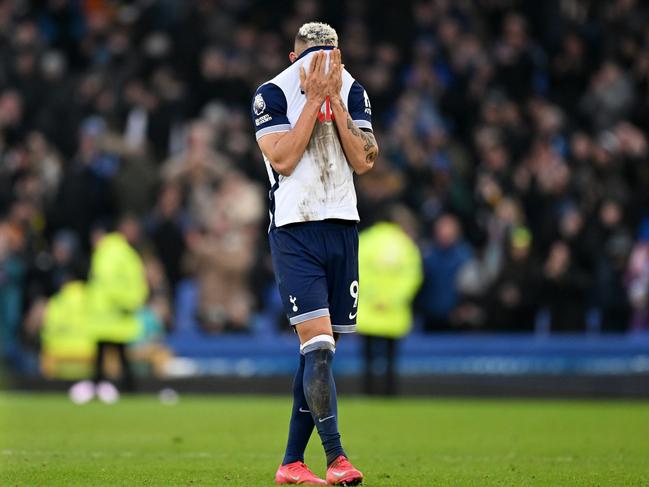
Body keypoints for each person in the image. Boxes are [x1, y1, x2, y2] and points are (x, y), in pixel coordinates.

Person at [252, 22, 377, 486]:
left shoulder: (353, 90)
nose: (322, 67)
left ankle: (290, 463)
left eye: (330, 58)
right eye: (311, 59)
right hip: (296, 230)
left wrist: (334, 100)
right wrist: (311, 100)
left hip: (342, 226)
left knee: (317, 355)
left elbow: (364, 160)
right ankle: (337, 457)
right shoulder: (273, 93)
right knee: (318, 349)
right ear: (293, 58)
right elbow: (282, 159)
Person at [356, 208, 422, 396]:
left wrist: (374, 297)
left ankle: (367, 392)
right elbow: (412, 277)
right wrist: (391, 299)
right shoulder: (405, 244)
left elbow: (356, 272)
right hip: (394, 313)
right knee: (391, 360)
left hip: (368, 312)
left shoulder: (366, 240)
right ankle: (390, 393)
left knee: (368, 359)